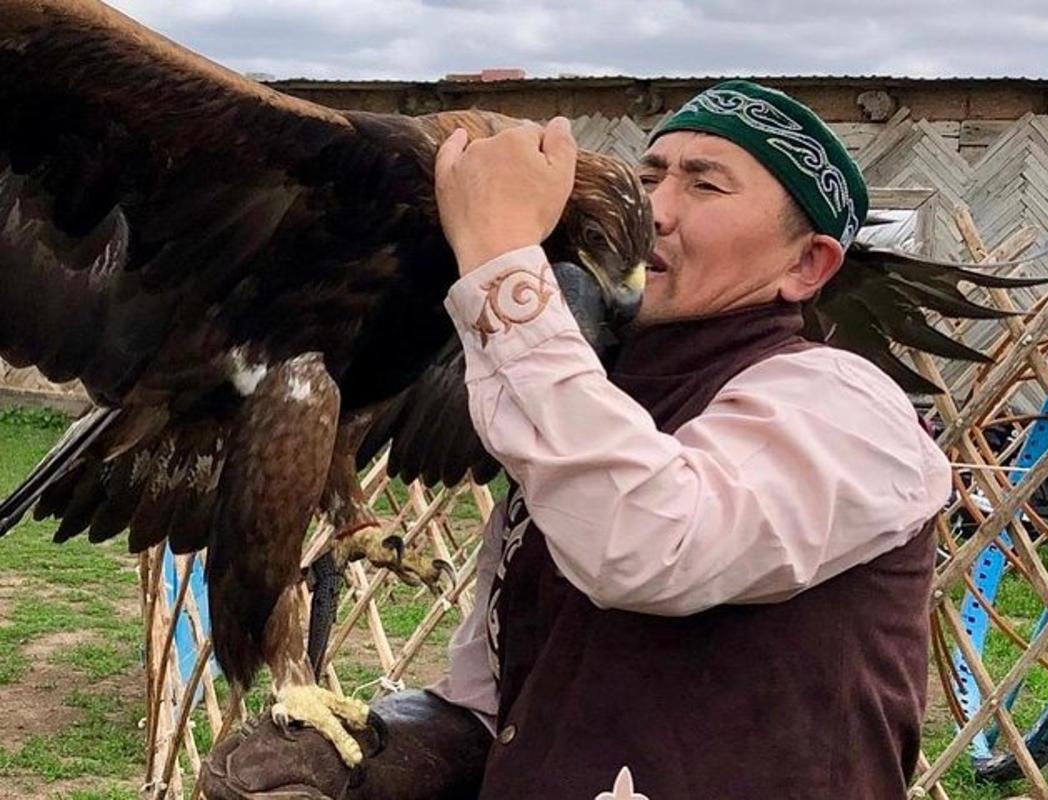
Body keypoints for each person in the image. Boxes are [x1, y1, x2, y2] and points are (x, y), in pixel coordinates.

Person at [202, 80, 952, 800]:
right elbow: (499, 705)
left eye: (705, 185)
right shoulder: (595, 409)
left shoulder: (846, 406)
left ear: (808, 264)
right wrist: (385, 757)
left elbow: (650, 543)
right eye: (650, 174)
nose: (655, 208)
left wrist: (499, 258)